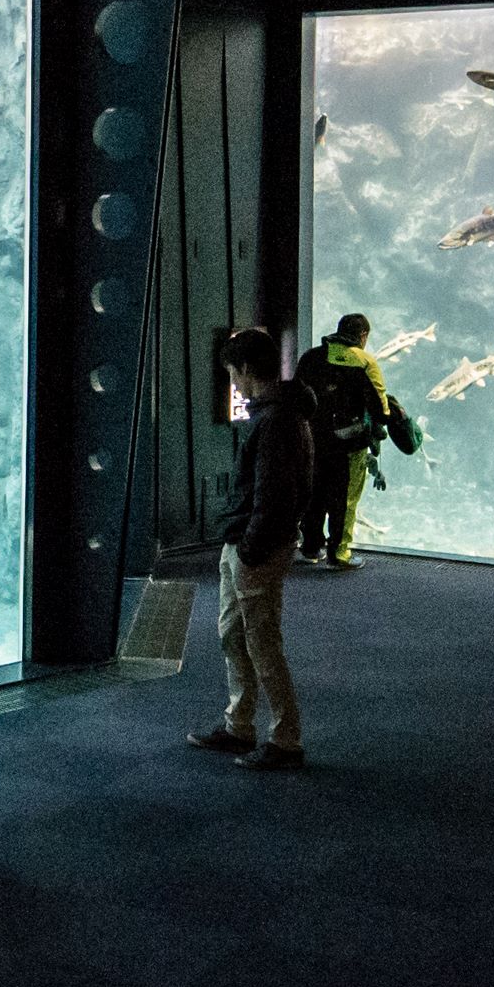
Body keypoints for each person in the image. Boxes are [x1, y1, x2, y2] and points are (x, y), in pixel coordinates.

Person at [188, 325, 312, 769]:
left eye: (232, 374)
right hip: (243, 542)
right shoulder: (273, 413)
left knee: (262, 643)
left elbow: (275, 496)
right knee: (233, 636)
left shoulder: (278, 420)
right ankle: (239, 726)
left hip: (256, 548)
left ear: (244, 369)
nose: (233, 383)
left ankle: (286, 740)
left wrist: (249, 550)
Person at [293, 314, 389, 569]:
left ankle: (311, 548)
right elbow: (381, 409)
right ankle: (340, 553)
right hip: (349, 445)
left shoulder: (310, 357)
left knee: (314, 495)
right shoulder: (365, 361)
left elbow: (297, 397)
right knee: (344, 500)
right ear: (363, 336)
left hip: (313, 441)